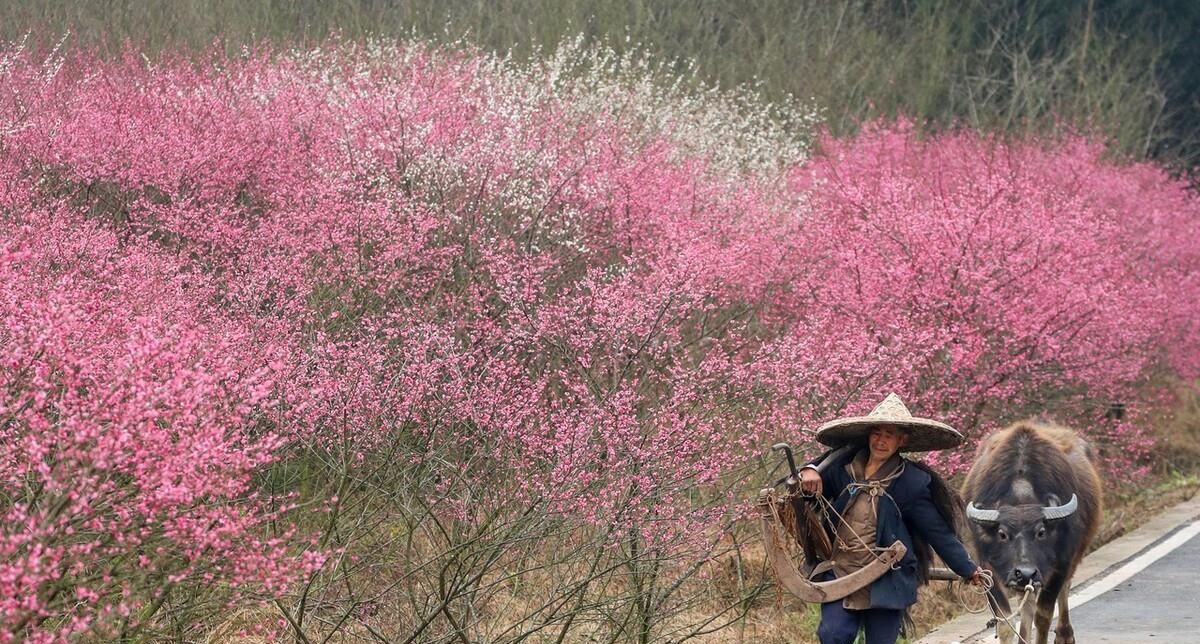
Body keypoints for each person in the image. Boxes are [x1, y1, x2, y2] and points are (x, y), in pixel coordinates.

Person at [798, 393, 986, 644]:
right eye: (877, 432)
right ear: (868, 434)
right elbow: (809, 488)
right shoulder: (842, 468)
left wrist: (968, 568)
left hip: (886, 576)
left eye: (889, 435)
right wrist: (808, 472)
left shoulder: (911, 483)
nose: (881, 440)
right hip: (841, 570)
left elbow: (938, 533)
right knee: (833, 635)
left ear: (902, 440)